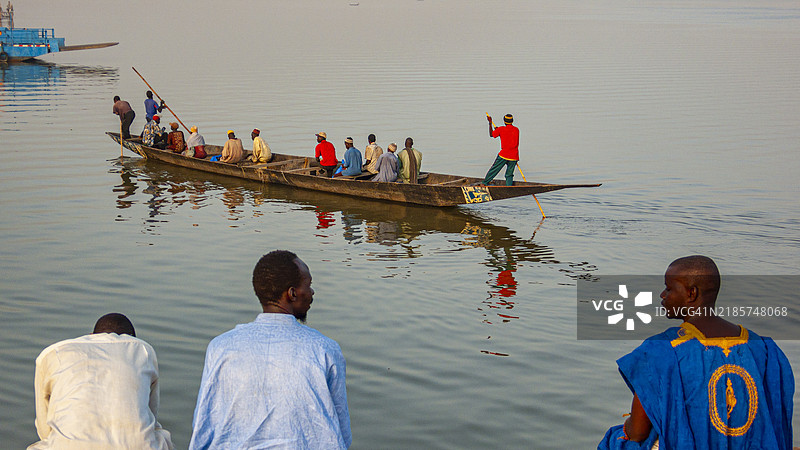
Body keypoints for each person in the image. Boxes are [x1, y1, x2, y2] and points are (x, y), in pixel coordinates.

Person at [598, 256, 795, 450]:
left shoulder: (661, 350)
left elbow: (637, 433)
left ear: (691, 293)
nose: (662, 295)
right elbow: (777, 419)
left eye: (668, 288)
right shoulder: (765, 348)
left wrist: (626, 428)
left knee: (615, 440)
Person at [189, 251, 352, 449]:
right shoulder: (324, 349)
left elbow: (204, 425)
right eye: (308, 285)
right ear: (291, 293)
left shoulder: (221, 347)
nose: (312, 292)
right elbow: (340, 430)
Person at [28, 313, 173, 450]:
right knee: (159, 434)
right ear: (133, 339)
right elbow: (152, 415)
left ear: (91, 336)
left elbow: (44, 428)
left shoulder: (53, 352)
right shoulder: (143, 350)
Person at [483, 113, 519, 186]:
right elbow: (508, 135)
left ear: (504, 121)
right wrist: (499, 131)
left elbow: (491, 134)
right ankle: (509, 187)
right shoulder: (516, 130)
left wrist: (490, 123)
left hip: (504, 155)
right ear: (512, 121)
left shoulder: (501, 129)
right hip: (514, 157)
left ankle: (485, 183)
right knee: (509, 175)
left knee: (494, 170)